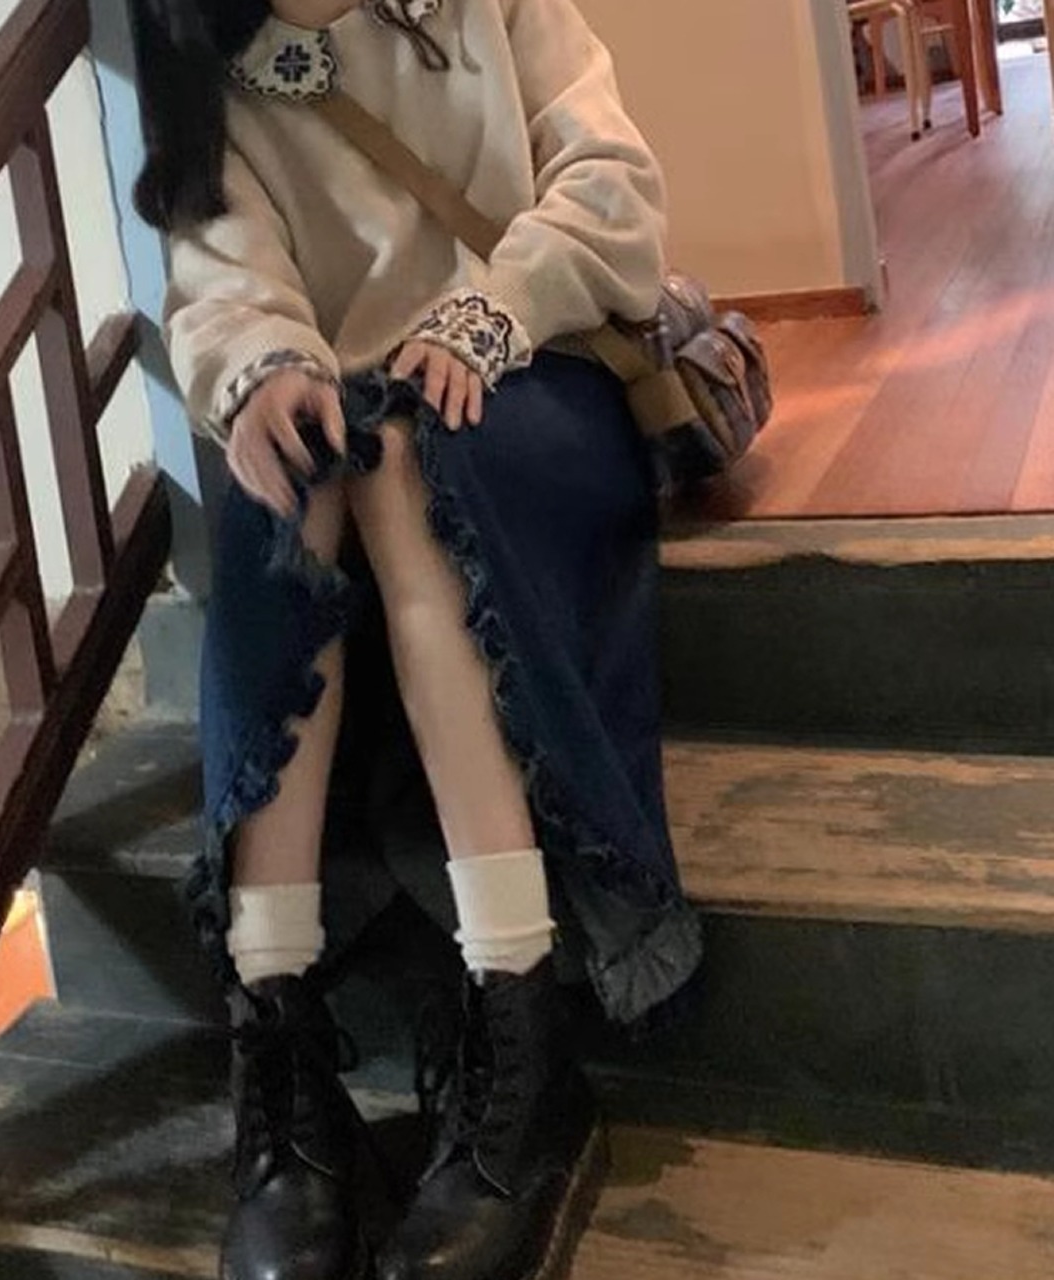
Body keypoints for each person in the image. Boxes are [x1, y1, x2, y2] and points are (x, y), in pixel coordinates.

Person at [129, 2, 702, 1278]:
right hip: (366, 411)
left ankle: (517, 1014)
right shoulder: (208, 46)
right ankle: (279, 1047)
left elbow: (609, 181)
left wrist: (487, 313)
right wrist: (268, 367)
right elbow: (223, 277)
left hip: (535, 377)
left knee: (388, 458)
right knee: (301, 469)